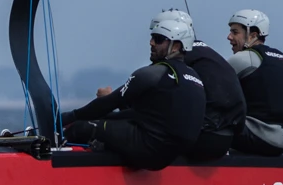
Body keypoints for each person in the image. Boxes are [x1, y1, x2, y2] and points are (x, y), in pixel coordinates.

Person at [63, 10, 206, 170]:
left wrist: (68, 117)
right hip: (171, 154)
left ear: (176, 46)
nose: (151, 43)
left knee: (80, 127)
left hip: (149, 148)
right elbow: (145, 116)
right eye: (152, 37)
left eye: (158, 39)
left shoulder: (153, 74)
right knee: (111, 122)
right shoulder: (194, 77)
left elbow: (108, 103)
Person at [166, 12, 246, 161]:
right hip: (226, 138)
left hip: (203, 139)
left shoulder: (180, 57)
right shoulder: (210, 54)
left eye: (158, 38)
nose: (152, 43)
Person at [225, 9, 283, 155]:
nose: (229, 37)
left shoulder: (244, 58)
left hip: (256, 138)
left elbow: (209, 86)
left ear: (253, 35)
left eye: (235, 32)